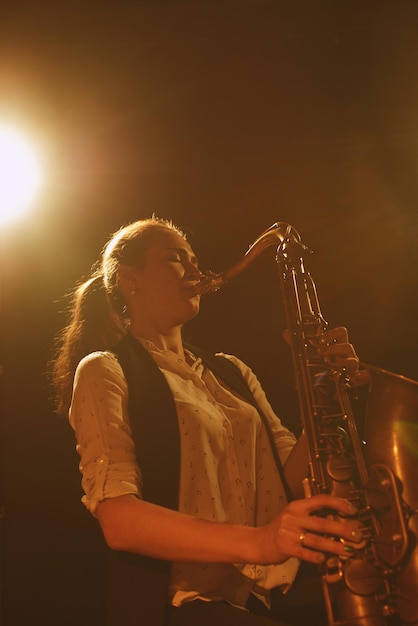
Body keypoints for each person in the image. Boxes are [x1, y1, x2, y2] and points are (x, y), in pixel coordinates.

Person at [51, 217, 368, 626]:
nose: (196, 270)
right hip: (178, 608)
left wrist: (326, 391)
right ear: (131, 280)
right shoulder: (106, 369)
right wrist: (258, 542)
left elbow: (288, 482)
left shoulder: (231, 370)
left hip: (259, 604)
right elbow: (119, 521)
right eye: (175, 259)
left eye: (195, 259)